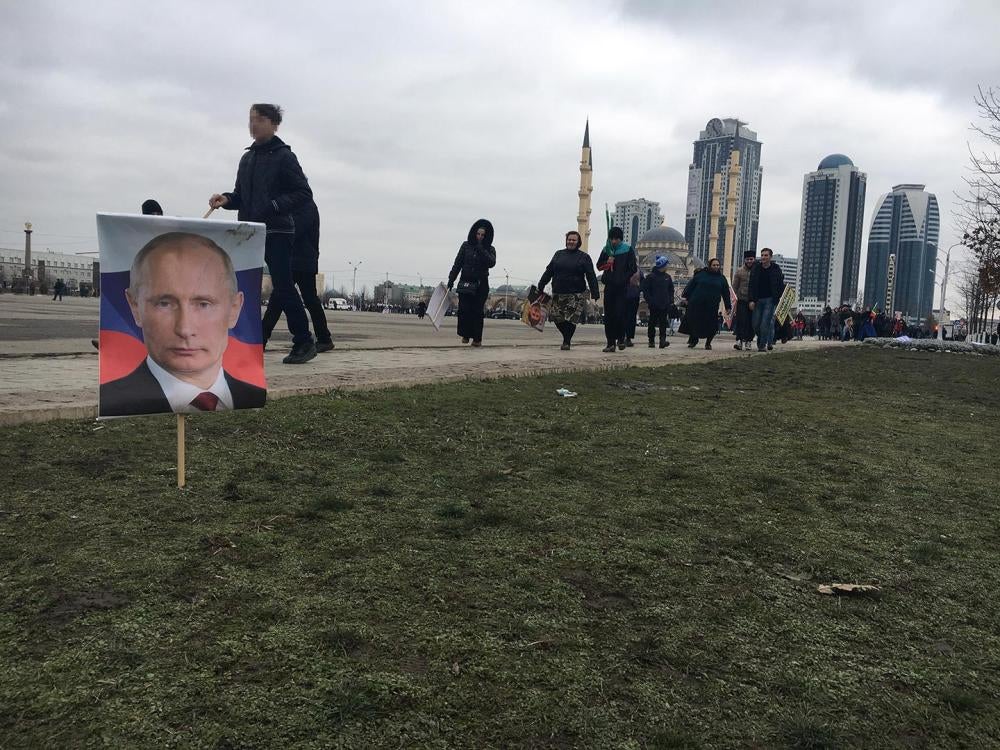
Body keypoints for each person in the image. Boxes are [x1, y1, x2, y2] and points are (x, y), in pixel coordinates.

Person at [99, 232, 266, 418]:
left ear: (234, 309)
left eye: (204, 304)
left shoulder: (252, 396)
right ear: (135, 307)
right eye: (164, 303)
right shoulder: (114, 402)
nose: (185, 329)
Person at [209, 103, 317, 364]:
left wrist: (274, 207)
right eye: (250, 119)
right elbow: (242, 196)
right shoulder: (247, 158)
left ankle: (303, 340)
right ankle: (246, 340)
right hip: (249, 231)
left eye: (258, 119)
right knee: (241, 286)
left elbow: (303, 193)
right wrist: (226, 199)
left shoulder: (284, 156)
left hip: (278, 230)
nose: (253, 124)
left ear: (274, 123)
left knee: (283, 286)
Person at [261, 200, 334, 352]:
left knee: (280, 298)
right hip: (299, 260)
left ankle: (261, 338)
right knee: (306, 299)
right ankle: (324, 338)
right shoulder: (304, 205)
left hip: (301, 260)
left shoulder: (305, 205)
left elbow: (294, 228)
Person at [537, 230, 600, 350]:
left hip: (576, 294)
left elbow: (591, 275)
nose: (571, 242)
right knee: (557, 318)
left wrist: (595, 292)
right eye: (569, 239)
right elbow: (549, 270)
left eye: (573, 240)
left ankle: (566, 341)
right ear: (566, 241)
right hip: (558, 292)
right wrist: (541, 284)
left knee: (571, 320)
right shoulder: (558, 254)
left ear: (578, 242)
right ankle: (566, 337)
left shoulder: (584, 257)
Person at [447, 219, 496, 346]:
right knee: (464, 310)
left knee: (477, 311)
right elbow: (457, 264)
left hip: (481, 284)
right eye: (478, 234)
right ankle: (465, 334)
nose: (479, 237)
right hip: (466, 282)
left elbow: (491, 263)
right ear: (474, 233)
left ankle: (477, 338)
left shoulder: (490, 249)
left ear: (486, 236)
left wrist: (481, 249)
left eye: (482, 235)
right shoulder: (465, 245)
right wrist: (451, 279)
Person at [596, 227, 638, 352]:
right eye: (612, 239)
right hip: (609, 287)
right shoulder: (606, 250)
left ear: (620, 239)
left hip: (622, 288)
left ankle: (621, 338)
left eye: (616, 239)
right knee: (609, 316)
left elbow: (633, 268)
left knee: (620, 314)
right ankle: (610, 343)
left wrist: (623, 279)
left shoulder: (627, 250)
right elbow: (599, 266)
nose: (614, 241)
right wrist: (608, 262)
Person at [679, 258, 732, 350]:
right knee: (695, 323)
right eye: (714, 265)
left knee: (711, 325)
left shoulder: (721, 278)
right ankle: (693, 340)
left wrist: (728, 306)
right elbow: (691, 286)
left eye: (717, 265)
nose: (716, 267)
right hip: (697, 304)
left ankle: (708, 343)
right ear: (709, 266)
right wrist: (687, 298)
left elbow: (726, 293)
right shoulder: (701, 275)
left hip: (712, 306)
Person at [748, 247, 784, 352]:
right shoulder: (756, 268)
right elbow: (751, 285)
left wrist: (776, 297)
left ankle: (762, 345)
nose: (763, 257)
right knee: (755, 324)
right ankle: (762, 338)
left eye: (766, 255)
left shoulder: (776, 269)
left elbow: (780, 285)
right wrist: (751, 300)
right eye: (762, 255)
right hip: (757, 300)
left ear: (770, 257)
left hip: (770, 300)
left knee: (765, 323)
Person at [640, 255, 674, 348]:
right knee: (652, 323)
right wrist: (650, 301)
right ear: (662, 265)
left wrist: (670, 301)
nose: (667, 266)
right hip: (654, 305)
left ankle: (662, 341)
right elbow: (645, 290)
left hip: (664, 304)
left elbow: (671, 290)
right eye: (666, 264)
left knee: (663, 323)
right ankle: (651, 341)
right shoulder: (651, 277)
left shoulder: (667, 277)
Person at [731, 251, 755, 350]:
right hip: (742, 300)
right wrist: (734, 302)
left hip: (754, 301)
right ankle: (739, 340)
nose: (749, 261)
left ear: (754, 259)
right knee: (741, 321)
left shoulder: (758, 271)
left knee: (751, 322)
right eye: (747, 259)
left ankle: (749, 341)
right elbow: (734, 287)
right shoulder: (739, 271)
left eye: (751, 259)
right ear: (744, 260)